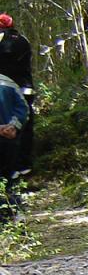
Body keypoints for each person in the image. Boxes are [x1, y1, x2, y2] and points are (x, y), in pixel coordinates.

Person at [0, 14, 32, 179]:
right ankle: (23, 166)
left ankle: (12, 170)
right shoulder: (23, 40)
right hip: (23, 88)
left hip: (8, 90)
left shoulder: (7, 41)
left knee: (8, 127)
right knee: (23, 126)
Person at [0, 69, 27, 221]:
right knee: (8, 178)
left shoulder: (7, 82)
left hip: (7, 140)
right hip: (9, 139)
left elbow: (23, 107)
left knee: (7, 178)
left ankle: (9, 218)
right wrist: (13, 126)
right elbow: (23, 108)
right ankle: (15, 215)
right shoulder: (8, 82)